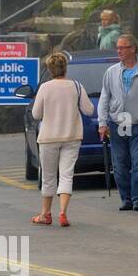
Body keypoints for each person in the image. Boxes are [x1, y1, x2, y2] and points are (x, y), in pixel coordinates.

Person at [97, 34, 138, 212]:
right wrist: (102, 123)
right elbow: (104, 98)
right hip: (117, 122)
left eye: (122, 47)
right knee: (119, 164)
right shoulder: (111, 72)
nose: (119, 51)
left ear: (133, 49)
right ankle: (125, 198)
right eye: (117, 48)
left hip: (137, 122)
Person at [30, 52, 94, 226]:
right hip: (72, 136)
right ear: (66, 68)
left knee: (49, 177)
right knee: (67, 175)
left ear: (50, 70)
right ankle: (63, 213)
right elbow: (89, 110)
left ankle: (45, 213)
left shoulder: (45, 88)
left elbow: (36, 114)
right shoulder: (77, 86)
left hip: (49, 137)